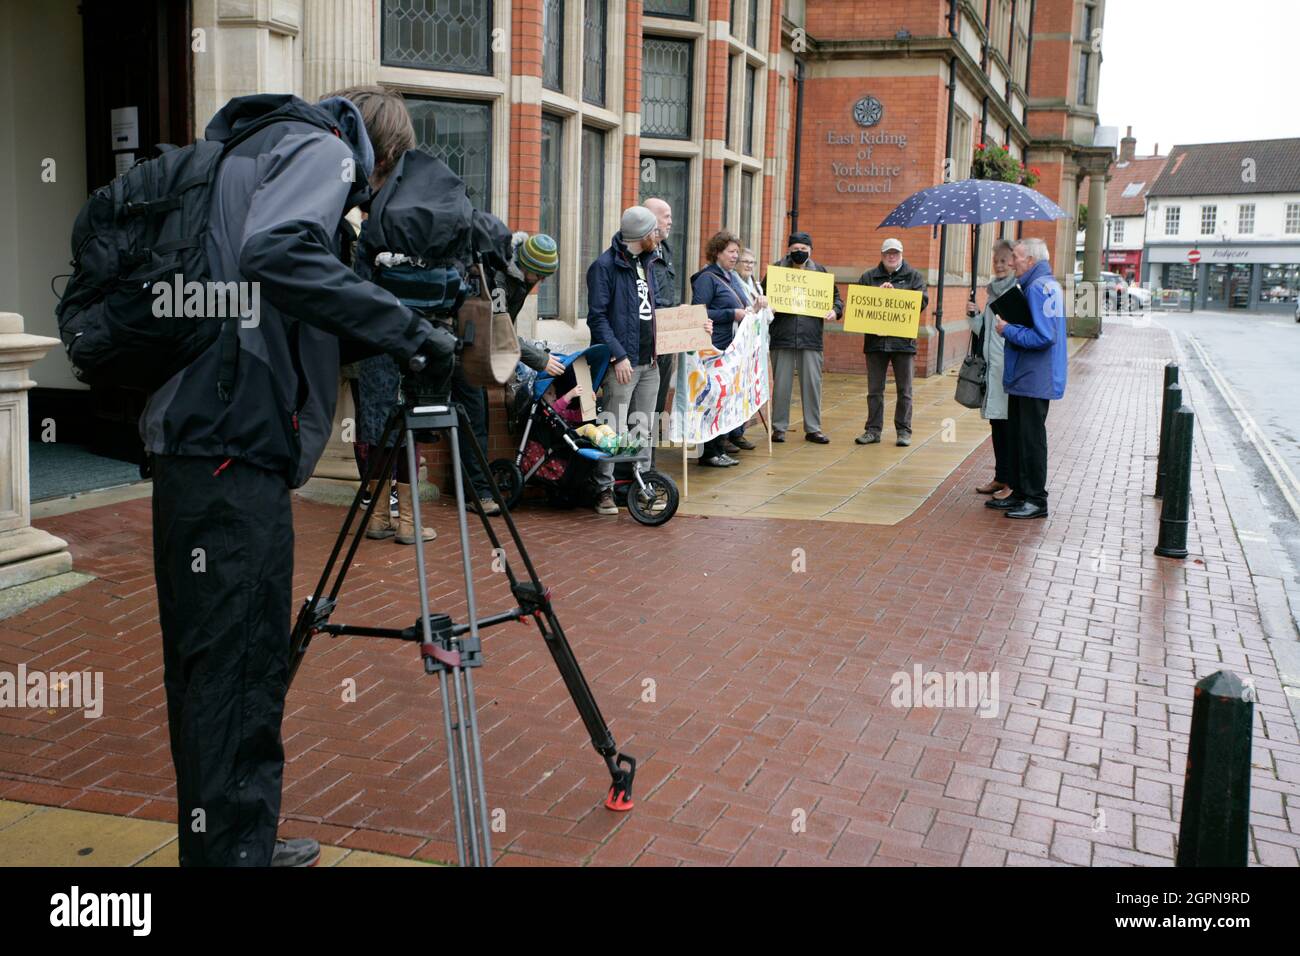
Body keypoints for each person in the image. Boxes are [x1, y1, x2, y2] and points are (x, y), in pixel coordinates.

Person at [140, 89, 450, 867]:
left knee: (209, 667)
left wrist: (368, 327)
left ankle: (230, 840)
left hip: (192, 442)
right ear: (381, 156)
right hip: (232, 448)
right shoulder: (320, 149)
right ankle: (234, 857)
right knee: (240, 668)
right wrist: (409, 331)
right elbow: (276, 254)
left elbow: (262, 301)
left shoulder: (240, 155)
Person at [458, 220, 565, 515]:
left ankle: (474, 488)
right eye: (538, 275)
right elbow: (497, 329)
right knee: (473, 418)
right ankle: (477, 493)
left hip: (470, 349)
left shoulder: (515, 276)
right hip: (462, 350)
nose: (539, 282)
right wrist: (539, 360)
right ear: (525, 265)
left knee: (474, 418)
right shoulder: (500, 279)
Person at [586, 207, 662, 515]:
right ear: (643, 236)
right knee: (612, 428)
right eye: (654, 232)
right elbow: (597, 317)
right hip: (623, 363)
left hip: (649, 362)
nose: (658, 236)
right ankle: (603, 489)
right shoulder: (604, 266)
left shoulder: (647, 262)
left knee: (642, 428)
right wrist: (618, 354)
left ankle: (640, 486)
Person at [987, 237, 1068, 520]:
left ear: (1031, 260)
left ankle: (1035, 499)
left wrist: (1007, 329)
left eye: (1017, 258)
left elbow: (1045, 336)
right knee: (1022, 437)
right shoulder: (1045, 284)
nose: (1012, 262)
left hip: (1034, 376)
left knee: (1031, 439)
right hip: (1030, 375)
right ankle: (1021, 493)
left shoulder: (1037, 288)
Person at [766, 232, 842, 444]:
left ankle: (813, 428)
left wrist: (835, 311)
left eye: (803, 249)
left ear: (811, 251)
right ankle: (779, 427)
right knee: (781, 385)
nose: (799, 253)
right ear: (788, 250)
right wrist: (766, 306)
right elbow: (761, 295)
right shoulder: (777, 271)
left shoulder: (820, 272)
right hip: (783, 335)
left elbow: (836, 298)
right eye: (795, 249)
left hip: (810, 337)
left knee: (812, 384)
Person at [856, 238, 929, 447]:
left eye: (895, 253)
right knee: (874, 390)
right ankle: (872, 430)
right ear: (881, 255)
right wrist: (878, 295)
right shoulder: (869, 277)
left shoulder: (914, 276)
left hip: (902, 342)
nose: (891, 256)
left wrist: (897, 296)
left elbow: (922, 302)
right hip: (875, 343)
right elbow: (859, 303)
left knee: (904, 390)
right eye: (888, 253)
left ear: (901, 255)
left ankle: (903, 431)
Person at [691, 230, 752, 466]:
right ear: (717, 252)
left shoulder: (730, 277)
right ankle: (709, 453)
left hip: (729, 349)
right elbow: (699, 312)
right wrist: (731, 314)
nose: (735, 256)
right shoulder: (707, 278)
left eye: (737, 252)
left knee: (724, 401)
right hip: (713, 349)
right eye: (731, 251)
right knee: (712, 401)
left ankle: (719, 447)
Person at [965, 240, 1017, 498]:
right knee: (997, 424)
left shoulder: (1016, 292)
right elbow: (986, 334)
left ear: (1014, 263)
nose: (1000, 265)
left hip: (1008, 371)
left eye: (1005, 260)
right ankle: (1000, 477)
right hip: (992, 370)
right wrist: (974, 316)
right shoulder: (992, 293)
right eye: (996, 260)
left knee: (1009, 426)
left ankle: (1011, 482)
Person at [644, 198, 680, 431]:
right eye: (666, 216)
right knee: (642, 406)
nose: (670, 222)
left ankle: (651, 462)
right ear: (650, 218)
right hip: (647, 339)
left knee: (658, 402)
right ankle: (637, 464)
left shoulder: (664, 250)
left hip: (666, 337)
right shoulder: (639, 256)